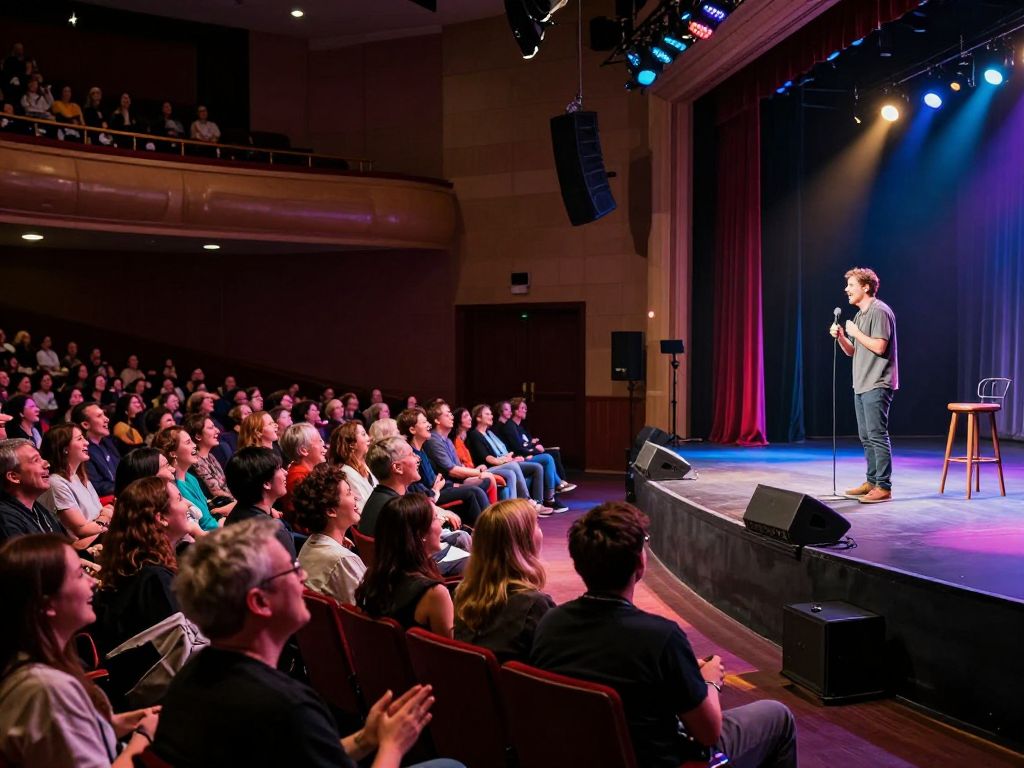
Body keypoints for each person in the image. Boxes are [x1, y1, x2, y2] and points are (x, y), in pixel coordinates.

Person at [150, 518, 455, 768]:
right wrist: (393, 745)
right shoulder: (286, 707)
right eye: (291, 570)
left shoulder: (189, 679)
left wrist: (366, 739)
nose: (303, 576)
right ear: (260, 602)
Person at [531, 501, 797, 768]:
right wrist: (709, 682)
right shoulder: (660, 637)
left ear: (578, 564)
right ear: (639, 564)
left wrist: (683, 670)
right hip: (654, 759)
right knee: (778, 716)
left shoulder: (550, 624)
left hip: (579, 756)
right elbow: (708, 733)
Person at [0, 534, 160, 767]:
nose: (93, 581)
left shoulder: (33, 666)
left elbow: (60, 745)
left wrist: (122, 722)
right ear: (48, 604)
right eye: (79, 575)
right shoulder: (47, 689)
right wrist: (143, 737)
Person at [93, 477, 192, 654]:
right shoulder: (154, 579)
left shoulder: (141, 567)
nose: (188, 505)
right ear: (161, 518)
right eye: (180, 499)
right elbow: (180, 652)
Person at [453, 499, 553, 662]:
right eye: (537, 525)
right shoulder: (534, 606)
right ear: (521, 542)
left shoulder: (461, 594)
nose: (541, 532)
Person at [830, 267, 899, 504]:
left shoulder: (880, 311)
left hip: (878, 382)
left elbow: (880, 346)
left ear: (865, 287)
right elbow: (852, 352)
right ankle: (871, 481)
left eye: (851, 285)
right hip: (861, 383)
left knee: (877, 435)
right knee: (865, 436)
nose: (846, 289)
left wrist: (855, 332)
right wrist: (841, 336)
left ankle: (883, 486)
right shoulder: (859, 316)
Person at [360, 437, 467, 577]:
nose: (418, 459)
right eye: (411, 454)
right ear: (397, 468)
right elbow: (419, 553)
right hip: (410, 574)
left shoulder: (379, 497)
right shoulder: (396, 509)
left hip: (399, 570)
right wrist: (435, 522)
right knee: (478, 562)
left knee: (462, 537)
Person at [356, 494, 453, 636]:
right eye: (436, 518)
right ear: (420, 534)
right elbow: (450, 654)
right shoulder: (435, 594)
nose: (441, 522)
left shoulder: (371, 581)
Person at [466, 404, 561, 512]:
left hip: (503, 462)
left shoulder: (489, 433)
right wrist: (506, 460)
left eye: (491, 413)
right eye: (487, 414)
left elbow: (503, 452)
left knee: (537, 467)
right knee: (513, 466)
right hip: (491, 467)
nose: (491, 416)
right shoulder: (475, 435)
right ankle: (528, 501)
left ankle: (539, 503)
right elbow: (487, 457)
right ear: (478, 418)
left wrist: (512, 457)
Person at [294, 463, 366, 605]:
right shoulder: (342, 560)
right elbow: (367, 608)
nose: (356, 497)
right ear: (331, 511)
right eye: (349, 493)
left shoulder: (308, 545)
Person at [39, 424, 112, 548]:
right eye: (79, 439)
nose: (86, 443)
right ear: (64, 448)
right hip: (82, 550)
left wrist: (104, 516)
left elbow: (99, 513)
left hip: (98, 538)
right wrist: (105, 517)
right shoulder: (56, 482)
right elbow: (82, 530)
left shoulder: (79, 475)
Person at [224, 446, 296, 557]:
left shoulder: (234, 517)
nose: (285, 473)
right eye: (279, 468)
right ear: (266, 483)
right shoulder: (273, 532)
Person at [424, 401, 500, 504]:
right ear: (437, 420)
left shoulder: (448, 440)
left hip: (456, 480)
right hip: (447, 484)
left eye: (451, 414)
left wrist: (476, 471)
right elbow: (453, 471)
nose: (451, 417)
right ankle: (491, 516)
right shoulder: (433, 440)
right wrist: (479, 472)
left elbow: (458, 466)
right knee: (488, 479)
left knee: (490, 478)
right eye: (447, 414)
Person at [152, 426, 220, 532]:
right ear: (173, 453)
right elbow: (206, 525)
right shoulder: (174, 487)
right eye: (188, 442)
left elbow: (208, 513)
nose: (195, 445)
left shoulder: (190, 477)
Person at [0, 439, 67, 541]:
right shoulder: (5, 519)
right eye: (36, 460)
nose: (47, 464)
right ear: (14, 477)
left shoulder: (39, 509)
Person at [185, 414, 235, 510]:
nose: (218, 430)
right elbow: (215, 495)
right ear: (198, 436)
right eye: (211, 428)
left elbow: (224, 486)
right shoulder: (194, 464)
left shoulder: (211, 456)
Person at [72, 402, 121, 499]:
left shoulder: (108, 443)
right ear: (86, 425)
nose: (107, 419)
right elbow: (96, 486)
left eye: (104, 414)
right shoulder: (83, 451)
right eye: (99, 416)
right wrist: (125, 486)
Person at [279, 422, 326, 519]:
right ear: (304, 450)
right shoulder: (298, 479)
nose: (323, 443)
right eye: (319, 440)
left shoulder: (309, 472)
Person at [328, 420, 377, 511]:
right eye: (363, 434)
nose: (369, 438)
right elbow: (363, 507)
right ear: (352, 444)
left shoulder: (365, 466)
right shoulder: (346, 473)